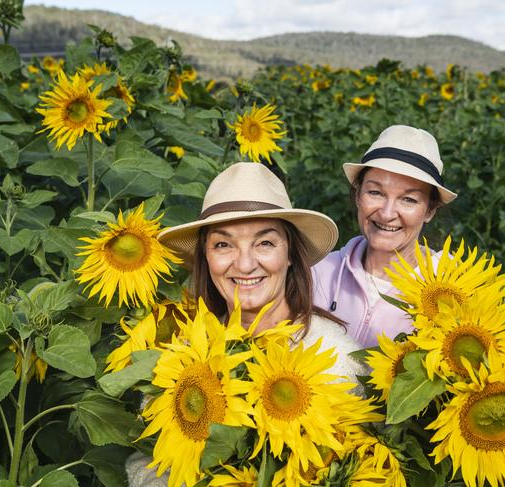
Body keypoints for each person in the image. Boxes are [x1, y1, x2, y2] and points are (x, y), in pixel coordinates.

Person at [126, 162, 367, 486]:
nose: (244, 263)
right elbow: (147, 461)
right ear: (206, 257)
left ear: (290, 254)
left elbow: (364, 468)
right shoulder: (180, 356)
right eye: (223, 244)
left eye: (264, 243)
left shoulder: (340, 360)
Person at [312, 125, 457, 348]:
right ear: (358, 195)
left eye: (408, 199)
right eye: (376, 193)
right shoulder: (318, 274)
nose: (387, 214)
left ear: (429, 211)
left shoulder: (451, 288)